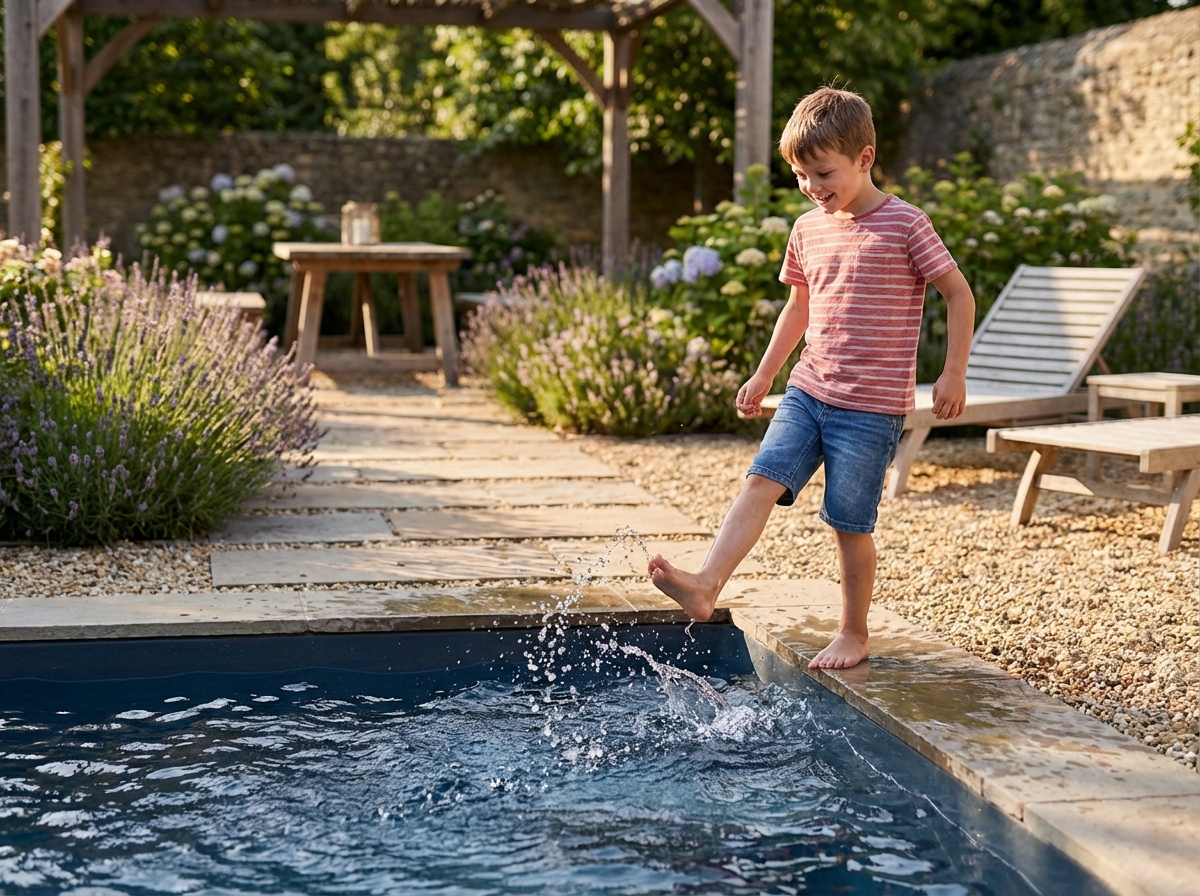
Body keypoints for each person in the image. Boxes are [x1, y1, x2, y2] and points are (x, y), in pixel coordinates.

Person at [647, 86, 975, 669]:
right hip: (808, 390)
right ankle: (706, 585)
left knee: (848, 524)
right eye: (801, 176)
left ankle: (854, 633)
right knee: (759, 481)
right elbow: (798, 309)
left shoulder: (906, 224)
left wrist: (953, 374)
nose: (812, 187)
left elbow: (958, 293)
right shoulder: (808, 227)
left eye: (823, 173)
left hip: (871, 409)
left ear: (865, 158)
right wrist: (763, 375)